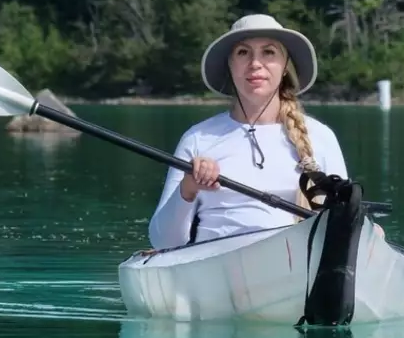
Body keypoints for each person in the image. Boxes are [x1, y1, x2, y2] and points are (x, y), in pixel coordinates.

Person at [148, 14, 348, 249]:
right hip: (212, 269)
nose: (255, 63)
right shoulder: (197, 139)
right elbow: (164, 242)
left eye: (268, 52)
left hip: (296, 266)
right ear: (230, 67)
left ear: (285, 67)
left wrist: (365, 231)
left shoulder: (321, 137)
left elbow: (344, 223)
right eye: (243, 53)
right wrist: (188, 187)